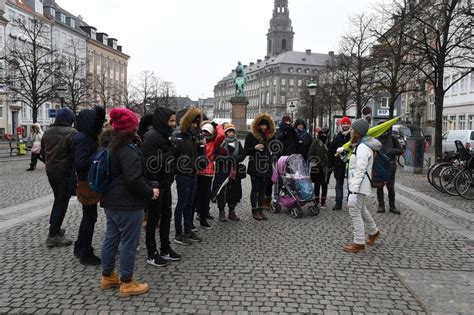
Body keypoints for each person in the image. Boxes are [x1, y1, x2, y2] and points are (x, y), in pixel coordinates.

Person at [99, 108, 159, 297]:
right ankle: (127, 282)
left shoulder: (108, 145)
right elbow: (133, 179)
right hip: (127, 204)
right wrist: (150, 191)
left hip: (110, 201)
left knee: (111, 238)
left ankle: (107, 276)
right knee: (128, 243)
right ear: (131, 127)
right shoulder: (127, 149)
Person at [142, 107, 181, 267]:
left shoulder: (166, 135)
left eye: (174, 121)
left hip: (165, 182)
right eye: (171, 121)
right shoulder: (151, 137)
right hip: (155, 183)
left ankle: (165, 248)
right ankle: (152, 253)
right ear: (162, 120)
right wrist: (172, 151)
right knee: (153, 219)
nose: (174, 124)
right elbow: (152, 162)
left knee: (166, 216)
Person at [72, 106, 106, 266]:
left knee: (89, 217)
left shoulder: (84, 137)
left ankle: (80, 246)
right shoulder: (83, 139)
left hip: (87, 181)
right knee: (89, 218)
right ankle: (85, 252)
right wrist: (98, 154)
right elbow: (81, 162)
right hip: (86, 182)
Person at [344, 118, 381, 253]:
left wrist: (353, 192)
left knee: (354, 211)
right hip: (359, 185)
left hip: (359, 186)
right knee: (361, 209)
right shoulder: (360, 145)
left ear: (358, 132)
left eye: (352, 128)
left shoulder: (363, 148)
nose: (350, 130)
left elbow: (360, 171)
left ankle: (358, 242)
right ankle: (373, 232)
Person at [41, 108, 77, 248]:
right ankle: (53, 235)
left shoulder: (47, 132)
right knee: (61, 202)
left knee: (58, 200)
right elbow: (74, 155)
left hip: (51, 171)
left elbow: (43, 153)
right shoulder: (72, 133)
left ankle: (55, 228)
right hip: (64, 172)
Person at [173, 107, 206, 245]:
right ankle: (179, 233)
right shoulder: (179, 135)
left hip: (192, 173)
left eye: (197, 123)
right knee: (182, 203)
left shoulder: (194, 136)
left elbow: (198, 154)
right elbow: (174, 155)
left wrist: (201, 150)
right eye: (193, 122)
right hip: (183, 174)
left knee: (190, 203)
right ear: (188, 122)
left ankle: (188, 229)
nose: (195, 125)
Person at [244, 113, 276, 221]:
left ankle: (261, 210)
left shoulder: (270, 137)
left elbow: (274, 150)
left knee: (263, 189)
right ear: (258, 125)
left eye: (265, 125)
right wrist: (254, 148)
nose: (263, 127)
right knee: (255, 189)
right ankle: (254, 211)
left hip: (266, 166)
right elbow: (246, 151)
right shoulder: (251, 135)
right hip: (255, 166)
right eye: (262, 125)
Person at [212, 124, 245, 222]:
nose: (231, 133)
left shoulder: (238, 143)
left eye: (232, 131)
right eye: (229, 132)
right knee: (222, 191)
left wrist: (235, 158)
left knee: (234, 191)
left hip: (234, 171)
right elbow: (215, 155)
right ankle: (221, 212)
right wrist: (225, 158)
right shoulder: (220, 143)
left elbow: (243, 154)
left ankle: (232, 211)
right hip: (223, 171)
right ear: (226, 133)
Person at [196, 121, 225, 229]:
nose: (205, 134)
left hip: (208, 173)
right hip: (197, 171)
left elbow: (221, 135)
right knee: (197, 195)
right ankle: (199, 213)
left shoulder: (213, 143)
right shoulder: (198, 141)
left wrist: (216, 125)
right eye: (203, 132)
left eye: (207, 132)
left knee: (205, 196)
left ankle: (204, 216)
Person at [376, 125, 403, 215]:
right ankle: (381, 205)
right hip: (379, 166)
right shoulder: (376, 139)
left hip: (391, 166)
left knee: (390, 187)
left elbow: (400, 150)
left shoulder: (392, 139)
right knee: (379, 186)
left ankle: (392, 206)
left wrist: (390, 151)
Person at [327, 116, 352, 211]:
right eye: (344, 123)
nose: (346, 125)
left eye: (347, 123)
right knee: (338, 184)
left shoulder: (353, 136)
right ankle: (338, 203)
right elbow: (331, 151)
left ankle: (351, 203)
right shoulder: (337, 136)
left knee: (351, 185)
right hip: (339, 165)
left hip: (350, 164)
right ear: (341, 125)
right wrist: (331, 164)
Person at [308, 127, 330, 209]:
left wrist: (330, 164)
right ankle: (316, 200)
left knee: (325, 184)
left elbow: (331, 154)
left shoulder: (329, 143)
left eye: (325, 134)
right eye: (322, 134)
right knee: (317, 184)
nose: (323, 135)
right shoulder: (315, 143)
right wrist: (315, 162)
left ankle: (323, 201)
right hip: (317, 167)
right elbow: (310, 154)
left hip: (326, 167)